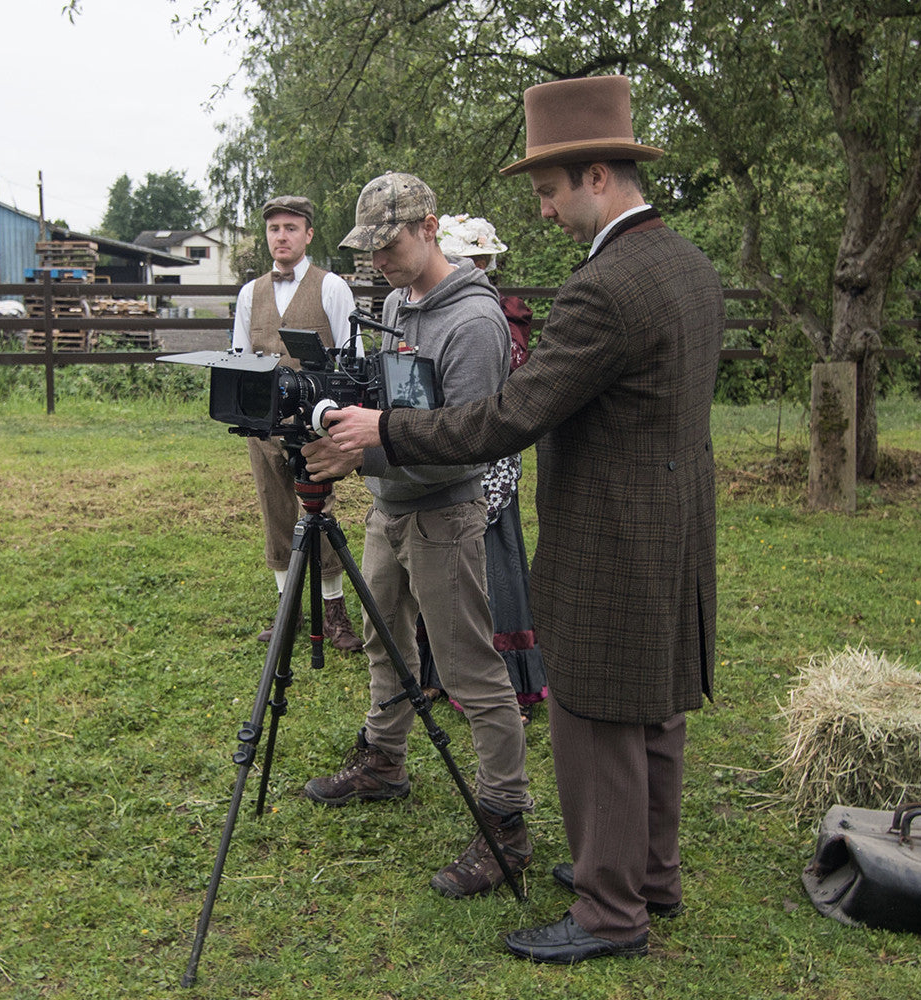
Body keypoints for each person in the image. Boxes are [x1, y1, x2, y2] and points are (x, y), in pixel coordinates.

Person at [310, 77, 724, 964]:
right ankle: (651, 872)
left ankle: (612, 912)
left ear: (599, 175)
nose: (542, 212)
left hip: (610, 532)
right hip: (676, 522)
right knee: (653, 710)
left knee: (595, 715)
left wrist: (385, 429)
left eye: (549, 191)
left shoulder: (605, 288)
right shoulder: (686, 265)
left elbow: (507, 416)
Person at [299, 172, 533, 900]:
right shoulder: (398, 301)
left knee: (468, 669)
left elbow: (470, 442)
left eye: (390, 244)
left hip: (443, 511)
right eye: (367, 250)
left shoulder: (475, 323)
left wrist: (362, 453)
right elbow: (392, 397)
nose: (379, 262)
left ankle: (505, 822)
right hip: (388, 504)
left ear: (430, 227)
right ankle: (385, 759)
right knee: (383, 638)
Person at [420, 214, 548, 721]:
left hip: (491, 454)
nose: (468, 267)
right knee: (449, 569)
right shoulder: (442, 309)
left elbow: (504, 402)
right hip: (448, 450)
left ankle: (503, 685)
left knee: (493, 567)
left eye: (476, 261)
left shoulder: (499, 319)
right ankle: (436, 672)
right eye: (461, 259)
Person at [231, 195, 362, 652]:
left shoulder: (332, 288)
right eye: (274, 229)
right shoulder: (250, 293)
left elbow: (353, 359)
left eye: (291, 227)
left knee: (318, 510)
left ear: (308, 234)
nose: (281, 236)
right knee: (275, 512)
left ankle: (335, 611)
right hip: (264, 425)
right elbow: (240, 358)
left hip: (314, 426)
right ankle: (287, 610)